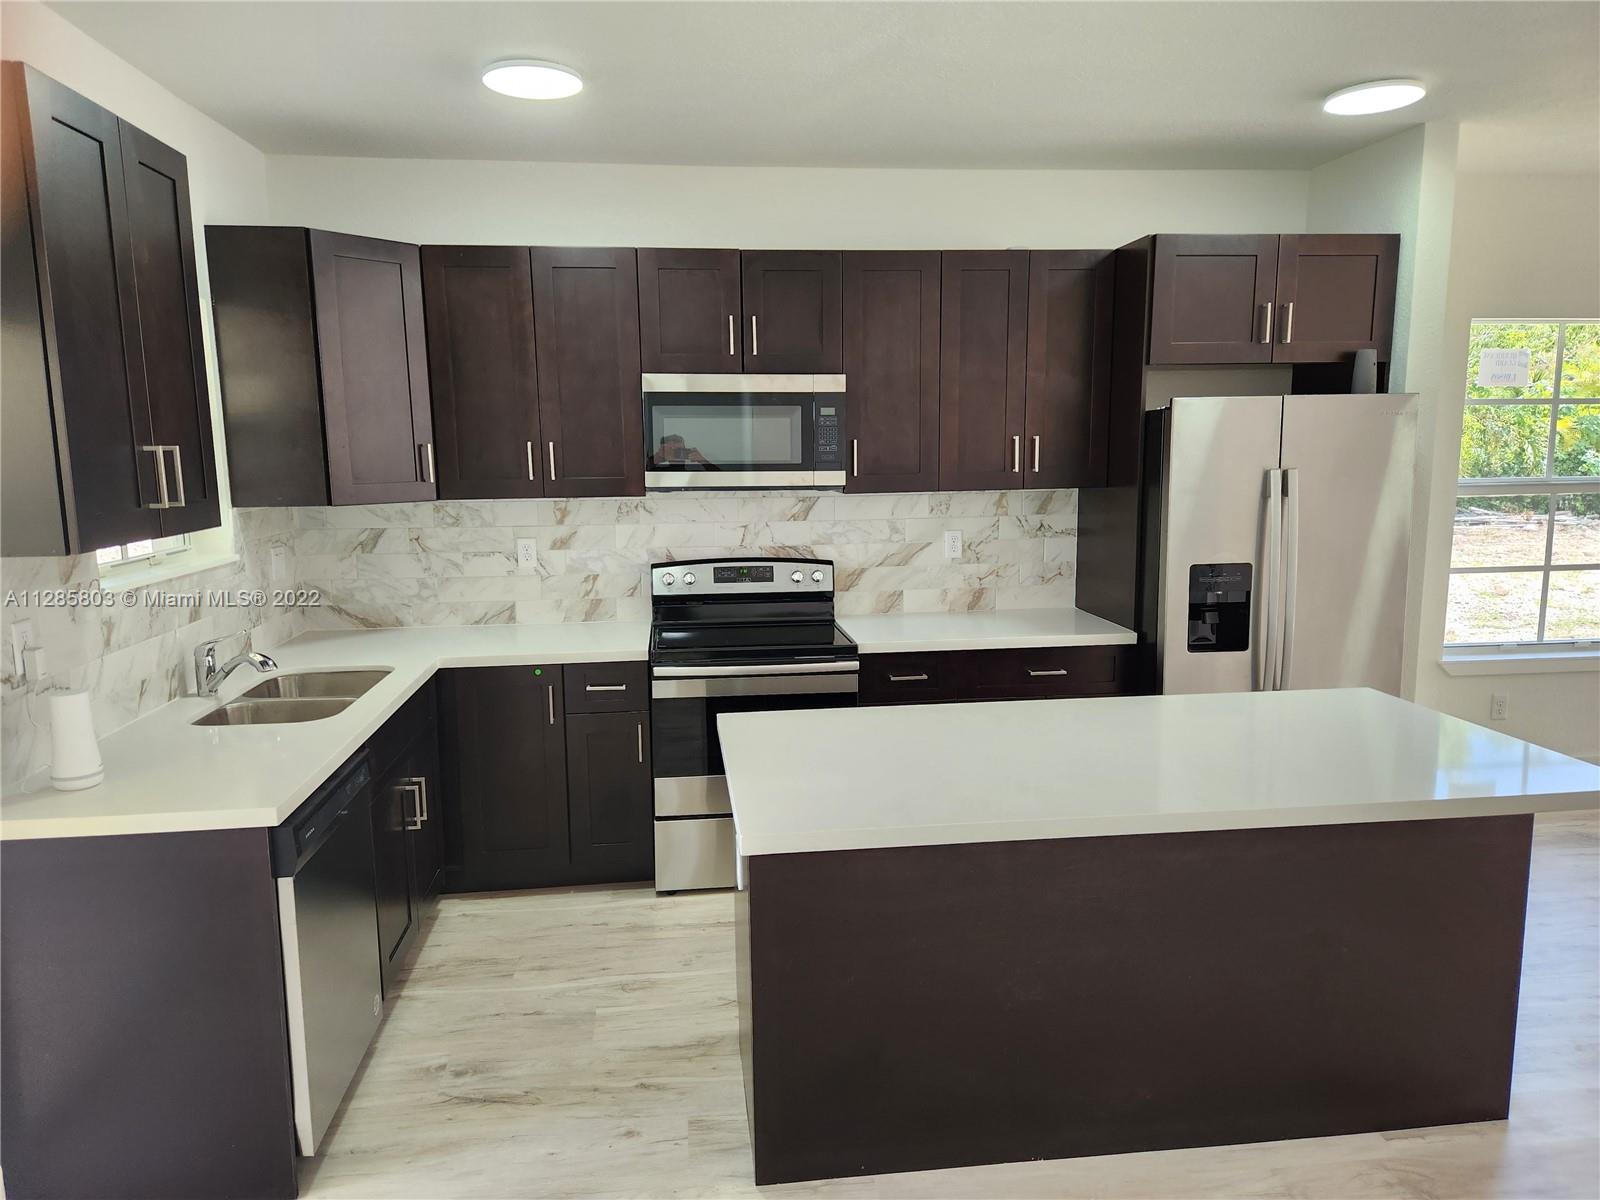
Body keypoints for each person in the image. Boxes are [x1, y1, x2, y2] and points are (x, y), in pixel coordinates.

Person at [651, 433, 718, 468]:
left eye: (679, 450)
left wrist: (702, 460)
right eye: (671, 449)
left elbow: (718, 477)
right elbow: (642, 472)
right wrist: (658, 456)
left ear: (685, 449)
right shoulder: (658, 471)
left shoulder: (693, 468)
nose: (676, 453)